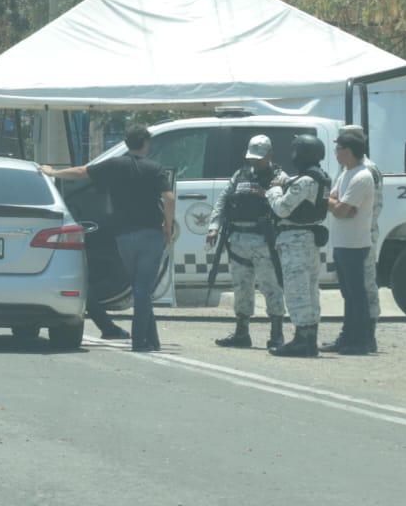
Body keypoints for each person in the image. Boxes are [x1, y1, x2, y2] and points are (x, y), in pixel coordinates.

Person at [42, 124, 176, 352]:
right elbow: (170, 198)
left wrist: (53, 173)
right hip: (151, 234)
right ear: (146, 144)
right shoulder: (155, 168)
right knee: (143, 289)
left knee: (138, 286)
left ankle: (152, 340)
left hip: (123, 236)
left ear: (126, 143)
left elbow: (81, 172)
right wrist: (168, 226)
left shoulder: (114, 165)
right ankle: (140, 341)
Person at [208, 134, 287, 350]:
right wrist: (214, 226)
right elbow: (223, 200)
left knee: (271, 287)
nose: (255, 161)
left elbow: (285, 207)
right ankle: (242, 332)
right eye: (252, 157)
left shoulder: (280, 177)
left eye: (259, 157)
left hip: (265, 241)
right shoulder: (240, 174)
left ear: (270, 154)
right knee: (241, 287)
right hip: (238, 240)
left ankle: (277, 334)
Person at [266, 134, 331, 358]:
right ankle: (309, 338)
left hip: (294, 240)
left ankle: (302, 340)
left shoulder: (306, 181)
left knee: (297, 290)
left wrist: (274, 189)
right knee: (310, 290)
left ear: (302, 154)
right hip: (309, 239)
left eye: (296, 151)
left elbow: (282, 209)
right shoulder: (319, 177)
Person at [323, 124, 384, 351]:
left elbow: (344, 209)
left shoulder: (366, 172)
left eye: (339, 145)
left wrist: (337, 204)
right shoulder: (346, 171)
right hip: (343, 238)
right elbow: (334, 200)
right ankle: (349, 336)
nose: (335, 152)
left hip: (361, 236)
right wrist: (336, 203)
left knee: (362, 290)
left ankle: (365, 337)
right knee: (349, 292)